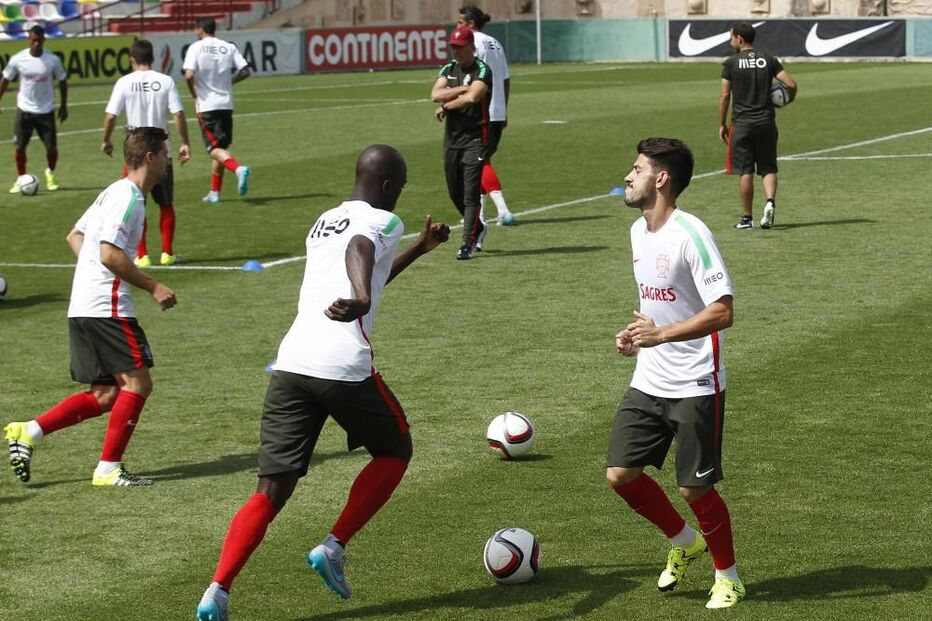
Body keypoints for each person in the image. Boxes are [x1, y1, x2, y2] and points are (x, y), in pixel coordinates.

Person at [195, 144, 450, 621]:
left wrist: (419, 249)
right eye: (401, 187)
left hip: (292, 363)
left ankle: (217, 591)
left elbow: (366, 273)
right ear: (389, 186)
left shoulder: (324, 220)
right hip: (341, 365)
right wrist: (360, 297)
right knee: (396, 450)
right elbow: (361, 251)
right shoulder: (383, 220)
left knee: (270, 489)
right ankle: (333, 546)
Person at [608, 138, 744, 609]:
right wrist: (636, 335)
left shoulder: (691, 234)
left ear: (661, 178)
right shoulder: (637, 232)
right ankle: (686, 541)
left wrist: (662, 335)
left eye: (637, 169)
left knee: (694, 487)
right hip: (648, 378)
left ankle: (728, 577)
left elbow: (722, 311)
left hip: (695, 381)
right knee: (620, 475)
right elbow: (658, 305)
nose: (628, 177)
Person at [4, 127, 177, 488]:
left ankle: (29, 431)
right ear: (150, 157)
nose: (169, 160)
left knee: (106, 394)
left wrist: (91, 272)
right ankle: (108, 469)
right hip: (106, 307)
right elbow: (109, 254)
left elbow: (75, 236)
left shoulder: (112, 192)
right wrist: (153, 286)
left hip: (83, 305)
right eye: (166, 153)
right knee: (138, 383)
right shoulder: (129, 198)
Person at [102, 39, 192, 268]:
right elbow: (178, 114)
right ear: (153, 58)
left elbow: (111, 116)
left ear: (132, 59)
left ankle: (141, 255)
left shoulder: (124, 82)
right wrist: (184, 142)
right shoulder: (165, 81)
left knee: (134, 202)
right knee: (166, 203)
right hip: (161, 151)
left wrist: (106, 140)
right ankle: (167, 253)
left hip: (135, 152)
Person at [719, 21, 797, 230]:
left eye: (731, 37)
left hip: (742, 124)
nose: (730, 40)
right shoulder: (768, 59)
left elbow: (725, 96)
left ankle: (747, 219)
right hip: (766, 122)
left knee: (745, 171)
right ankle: (770, 202)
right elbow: (791, 84)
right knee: (768, 168)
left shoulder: (731, 63)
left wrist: (722, 123)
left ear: (739, 39)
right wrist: (787, 99)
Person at [431, 25, 492, 260]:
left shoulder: (482, 69)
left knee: (470, 194)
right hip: (452, 140)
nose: (455, 51)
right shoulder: (449, 68)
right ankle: (478, 226)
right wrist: (463, 88)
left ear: (470, 47)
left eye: (459, 47)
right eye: (453, 47)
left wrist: (447, 105)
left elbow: (473, 97)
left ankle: (467, 243)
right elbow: (435, 94)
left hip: (475, 138)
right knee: (454, 191)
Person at [458, 5, 516, 226]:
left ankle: (503, 211)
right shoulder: (495, 43)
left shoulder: (473, 43)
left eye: (460, 22)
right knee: (479, 162)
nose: (457, 27)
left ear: (471, 24)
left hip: (481, 111)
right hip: (497, 109)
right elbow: (506, 79)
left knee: (479, 162)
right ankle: (478, 215)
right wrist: (504, 109)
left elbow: (471, 77)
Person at [183, 16, 251, 204]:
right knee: (221, 148)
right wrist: (229, 83)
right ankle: (214, 192)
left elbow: (188, 74)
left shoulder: (196, 47)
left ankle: (238, 169)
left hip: (207, 105)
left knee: (213, 149)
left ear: (200, 29)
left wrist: (194, 94)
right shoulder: (228, 47)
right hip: (226, 104)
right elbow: (245, 71)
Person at [0, 25, 67, 193]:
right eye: (33, 40)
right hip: (24, 110)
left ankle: (51, 173)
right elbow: (5, 79)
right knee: (20, 147)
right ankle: (20, 178)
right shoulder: (18, 59)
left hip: (46, 111)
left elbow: (62, 80)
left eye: (39, 40)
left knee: (51, 148)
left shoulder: (52, 60)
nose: (36, 43)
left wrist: (64, 106)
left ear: (44, 40)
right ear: (29, 39)